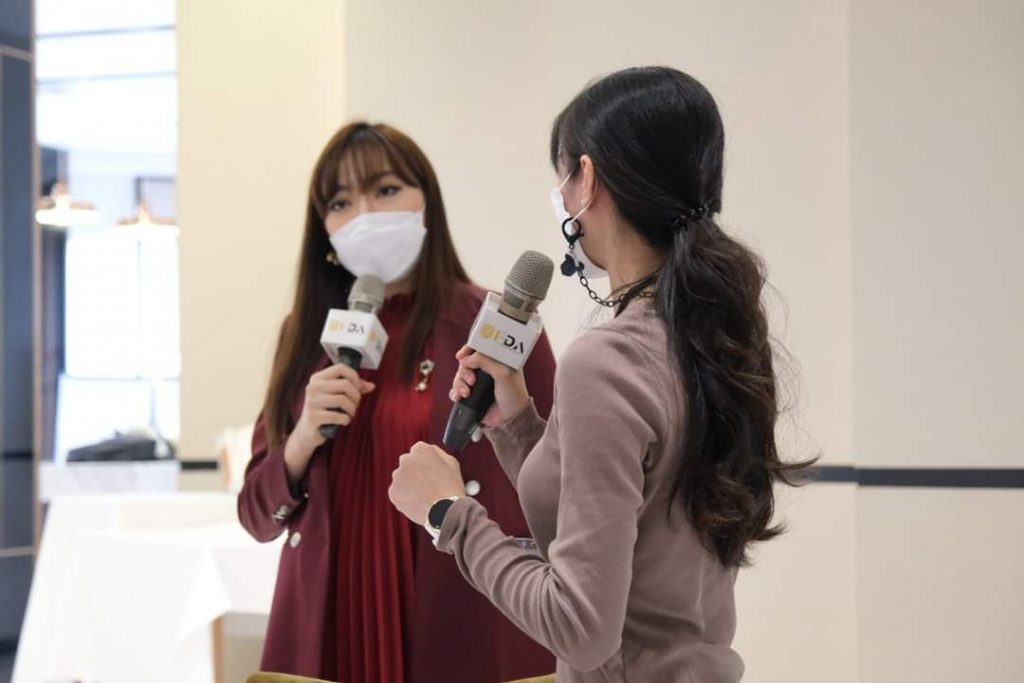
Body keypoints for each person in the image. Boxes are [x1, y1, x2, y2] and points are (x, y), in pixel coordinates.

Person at [389, 67, 810, 681]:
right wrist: (517, 424)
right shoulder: (715, 333)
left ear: (586, 180)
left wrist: (446, 514)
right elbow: (619, 529)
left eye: (564, 176)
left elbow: (580, 628)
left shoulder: (606, 361)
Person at [238, 122, 557, 683]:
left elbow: (559, 485)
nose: (364, 215)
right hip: (336, 612)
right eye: (340, 202)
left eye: (384, 190)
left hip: (462, 605)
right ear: (322, 228)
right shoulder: (306, 333)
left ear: (425, 200)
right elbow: (256, 516)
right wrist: (303, 437)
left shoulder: (491, 325)